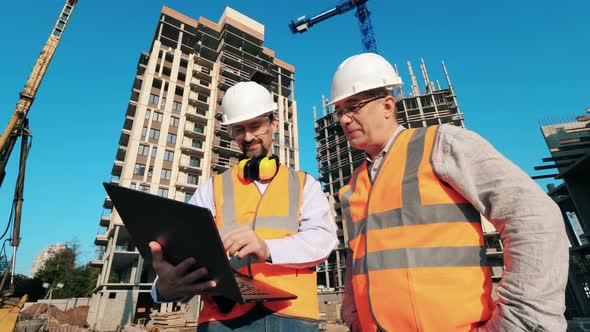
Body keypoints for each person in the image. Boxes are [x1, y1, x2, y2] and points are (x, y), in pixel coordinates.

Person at [330, 53, 569, 332]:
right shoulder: (353, 184)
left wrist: (521, 320)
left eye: (353, 107)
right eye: (339, 112)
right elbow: (355, 260)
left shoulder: (442, 144)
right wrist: (352, 314)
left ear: (387, 105)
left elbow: (535, 217)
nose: (344, 120)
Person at [149, 81, 338, 331]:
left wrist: (267, 248)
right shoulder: (211, 189)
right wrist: (160, 289)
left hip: (293, 318)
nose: (247, 137)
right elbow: (184, 251)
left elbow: (323, 241)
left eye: (255, 126)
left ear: (273, 123)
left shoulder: (305, 184)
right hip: (222, 319)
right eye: (238, 129)